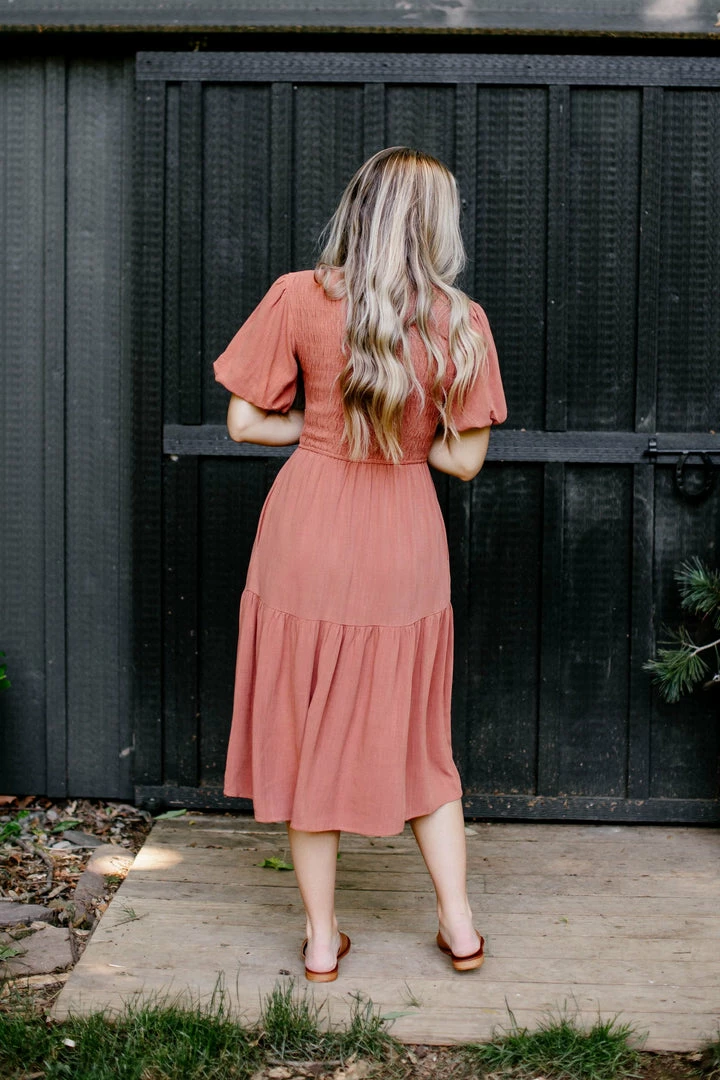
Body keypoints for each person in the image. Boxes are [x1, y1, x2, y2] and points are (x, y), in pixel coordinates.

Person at [213, 146, 507, 983]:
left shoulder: (297, 297)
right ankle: (459, 931)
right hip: (402, 532)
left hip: (306, 527)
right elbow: (465, 462)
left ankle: (318, 942)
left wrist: (320, 434)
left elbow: (240, 422)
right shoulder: (460, 319)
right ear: (432, 223)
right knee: (420, 734)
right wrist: (402, 439)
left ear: (359, 210)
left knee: (307, 733)